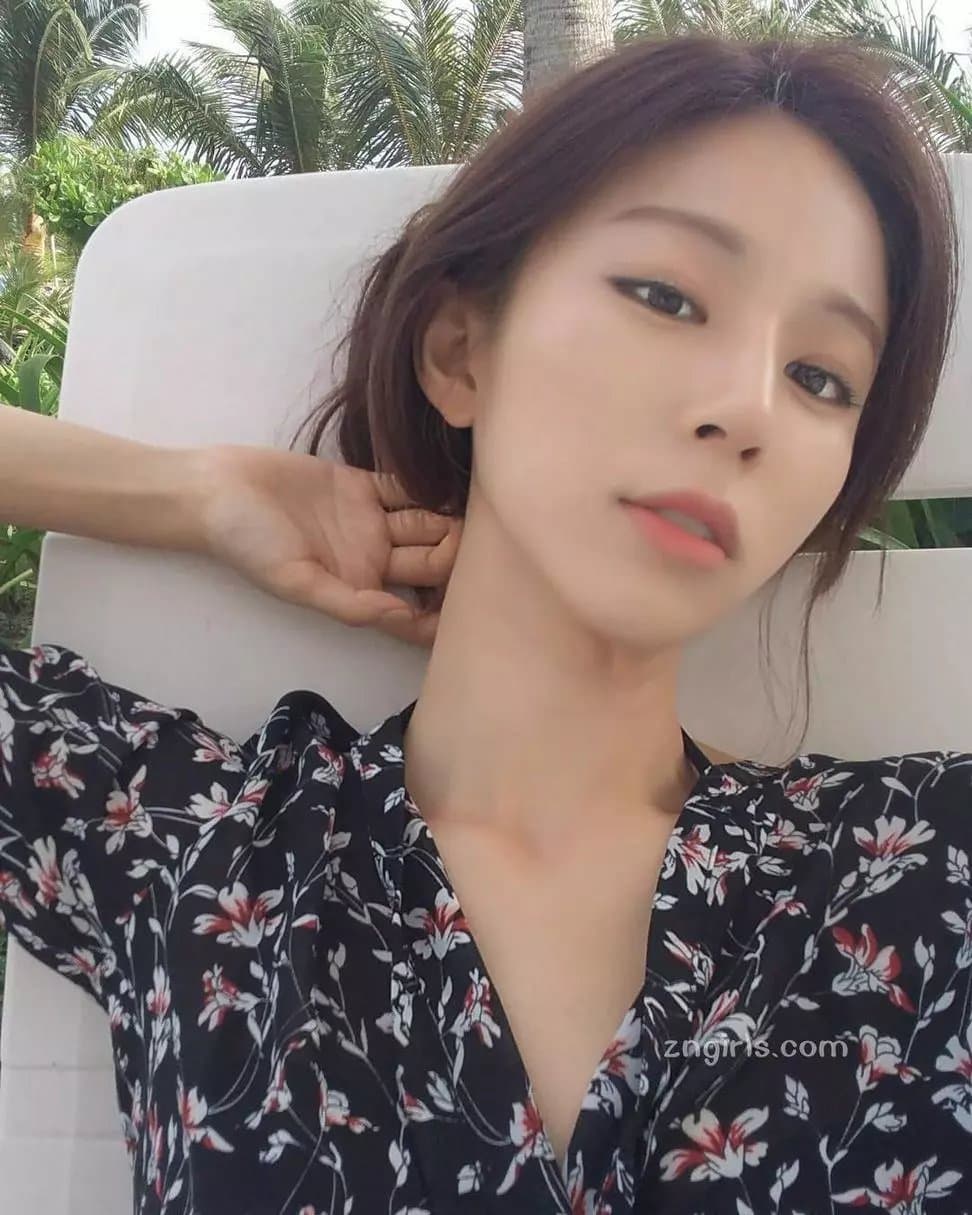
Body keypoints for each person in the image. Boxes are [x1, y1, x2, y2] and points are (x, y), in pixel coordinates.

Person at [0, 29, 968, 1215]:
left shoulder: (926, 871)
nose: (747, 408)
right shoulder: (198, 853)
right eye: (667, 296)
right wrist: (195, 495)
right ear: (460, 352)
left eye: (822, 377)